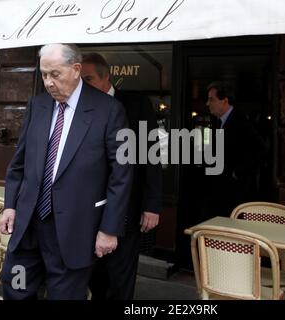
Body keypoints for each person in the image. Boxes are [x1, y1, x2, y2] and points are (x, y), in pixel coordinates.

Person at [0, 44, 133, 300]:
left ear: (76, 70)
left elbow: (121, 174)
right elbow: (19, 163)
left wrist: (110, 229)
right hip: (27, 227)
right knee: (16, 290)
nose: (48, 82)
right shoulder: (37, 105)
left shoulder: (109, 110)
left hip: (75, 230)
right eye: (44, 74)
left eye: (55, 74)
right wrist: (10, 206)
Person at [81, 53, 162, 300]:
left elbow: (152, 156)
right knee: (94, 276)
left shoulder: (137, 105)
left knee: (121, 277)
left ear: (107, 76)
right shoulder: (79, 107)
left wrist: (152, 205)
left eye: (89, 78)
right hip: (88, 209)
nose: (83, 85)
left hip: (128, 206)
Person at [204, 81, 267, 218]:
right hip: (220, 189)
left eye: (211, 99)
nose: (207, 104)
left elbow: (261, 149)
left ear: (225, 101)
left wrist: (237, 171)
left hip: (237, 192)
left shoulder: (241, 120)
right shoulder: (217, 122)